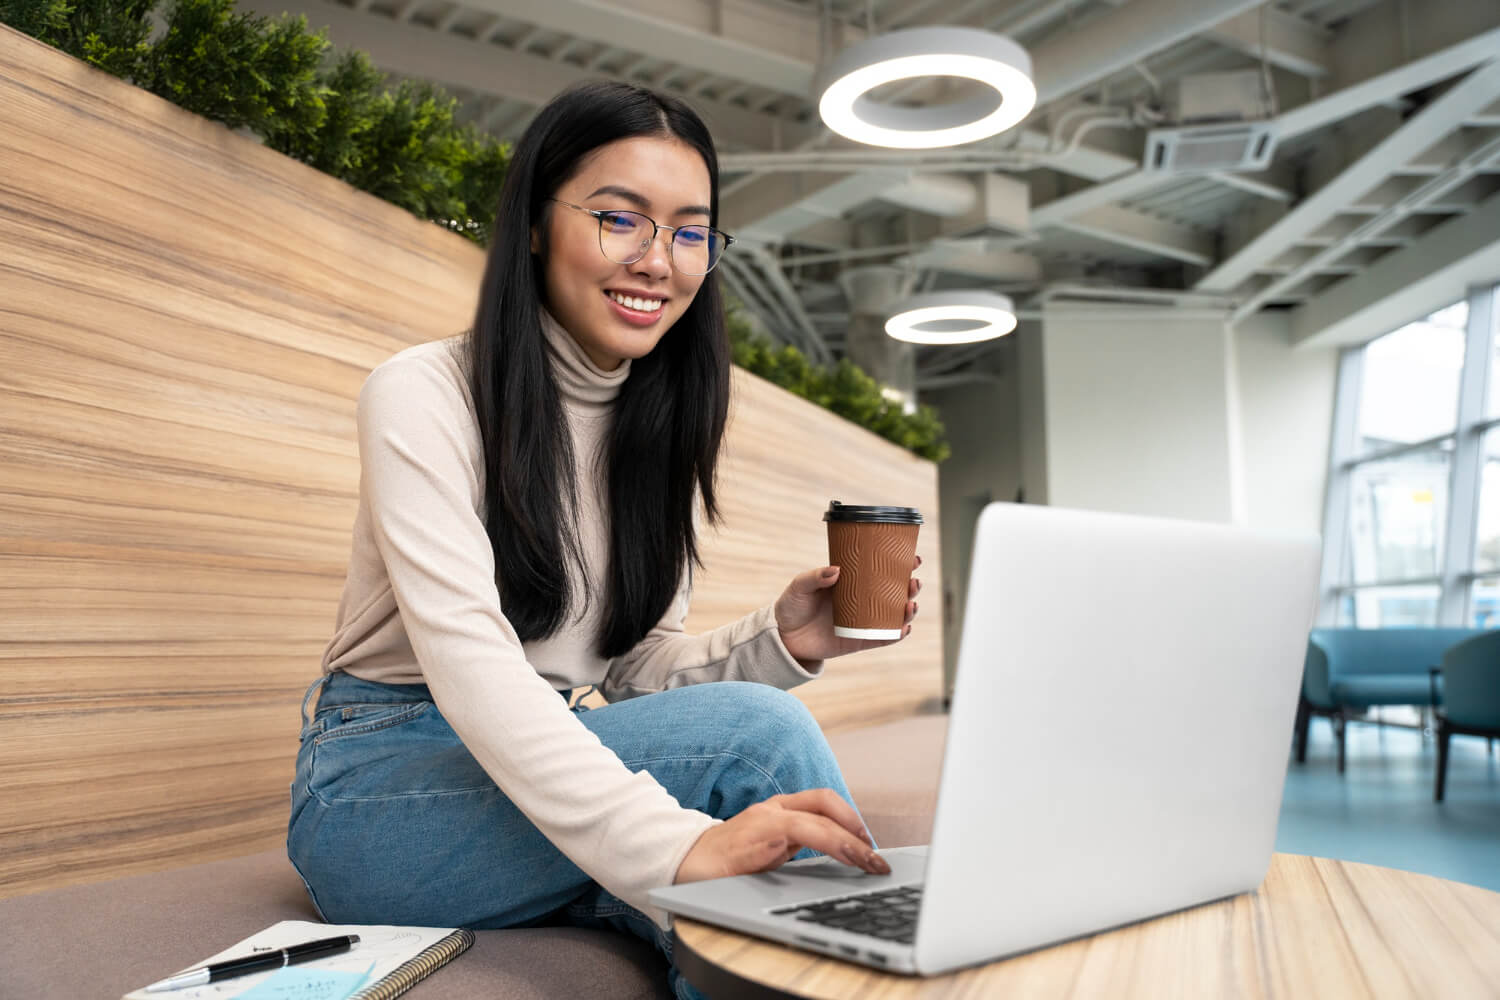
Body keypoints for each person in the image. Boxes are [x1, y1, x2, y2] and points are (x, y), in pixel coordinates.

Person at [286, 79, 922, 1000]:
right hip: (378, 785)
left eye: (690, 231)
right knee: (758, 752)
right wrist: (678, 843)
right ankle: (884, 968)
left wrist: (780, 643)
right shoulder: (422, 394)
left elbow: (630, 673)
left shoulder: (656, 427)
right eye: (620, 219)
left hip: (559, 740)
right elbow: (474, 664)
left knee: (734, 883)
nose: (657, 260)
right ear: (538, 224)